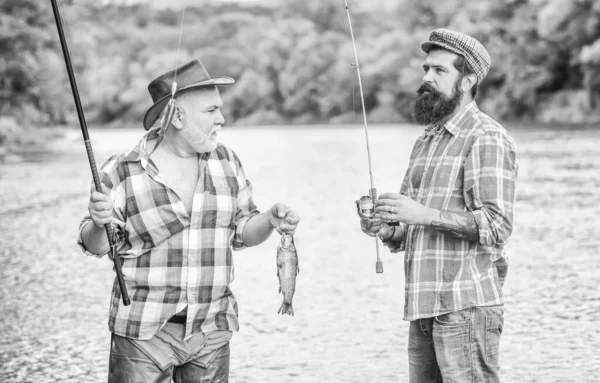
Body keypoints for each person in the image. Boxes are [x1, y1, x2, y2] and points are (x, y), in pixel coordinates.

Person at [77, 58, 299, 383]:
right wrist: (98, 223)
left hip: (211, 329)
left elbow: (243, 232)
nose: (222, 119)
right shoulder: (120, 171)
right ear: (177, 116)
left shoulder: (227, 161)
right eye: (211, 110)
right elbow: (94, 245)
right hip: (142, 333)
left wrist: (270, 219)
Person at [360, 29, 519, 382]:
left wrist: (424, 215)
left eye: (439, 71)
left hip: (466, 309)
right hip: (422, 309)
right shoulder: (426, 140)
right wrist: (388, 228)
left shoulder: (486, 136)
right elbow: (411, 228)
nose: (426, 78)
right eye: (426, 69)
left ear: (468, 81)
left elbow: (497, 225)